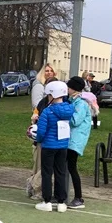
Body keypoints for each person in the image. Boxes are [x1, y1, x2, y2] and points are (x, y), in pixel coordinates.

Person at [34, 81, 74, 213]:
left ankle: (47, 201)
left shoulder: (47, 111)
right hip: (62, 146)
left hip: (48, 146)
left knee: (47, 173)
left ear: (52, 95)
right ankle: (61, 201)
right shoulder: (69, 109)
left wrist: (38, 139)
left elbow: (41, 131)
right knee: (60, 172)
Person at [66, 76, 93, 209]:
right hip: (70, 139)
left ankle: (78, 198)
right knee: (66, 166)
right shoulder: (73, 101)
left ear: (74, 88)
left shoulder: (81, 104)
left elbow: (75, 121)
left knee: (72, 167)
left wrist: (64, 114)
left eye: (69, 87)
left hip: (75, 140)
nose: (67, 89)